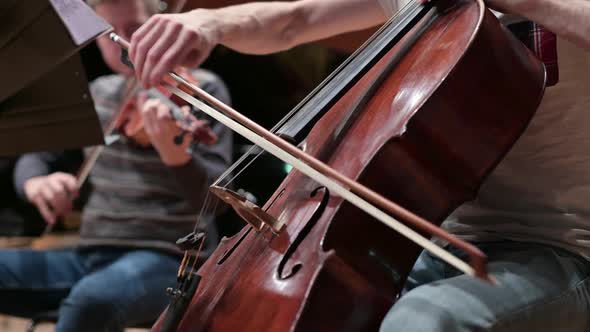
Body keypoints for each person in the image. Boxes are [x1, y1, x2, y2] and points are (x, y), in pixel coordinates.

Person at [128, 0, 590, 331]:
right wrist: (209, 22)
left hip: (564, 250)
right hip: (439, 242)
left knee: (424, 321)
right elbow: (295, 19)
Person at [0, 0, 232, 331]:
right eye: (112, 33)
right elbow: (39, 156)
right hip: (90, 257)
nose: (125, 42)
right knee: (89, 294)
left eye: (136, 29)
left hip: (169, 261)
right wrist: (35, 181)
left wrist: (175, 154)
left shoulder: (201, 90)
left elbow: (216, 204)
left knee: (91, 300)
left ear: (158, 25)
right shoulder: (98, 94)